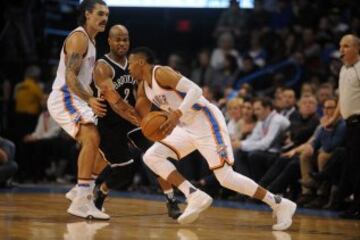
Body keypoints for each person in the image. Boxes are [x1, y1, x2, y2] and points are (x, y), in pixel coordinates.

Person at [128, 47, 296, 230]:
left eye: (130, 64)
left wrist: (177, 113)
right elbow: (141, 116)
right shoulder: (143, 87)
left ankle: (279, 203)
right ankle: (193, 194)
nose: (128, 68)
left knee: (226, 178)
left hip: (206, 120)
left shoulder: (161, 73)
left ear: (140, 62)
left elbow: (196, 89)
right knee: (152, 156)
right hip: (185, 127)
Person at [90, 24, 181, 219]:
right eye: (118, 39)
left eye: (125, 39)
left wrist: (152, 117)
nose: (122, 43)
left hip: (133, 121)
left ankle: (171, 200)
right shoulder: (102, 67)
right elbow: (116, 103)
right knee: (124, 171)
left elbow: (143, 95)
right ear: (109, 41)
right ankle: (102, 191)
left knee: (155, 155)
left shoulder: (134, 66)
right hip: (108, 123)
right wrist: (139, 121)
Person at [47, 0, 110, 220]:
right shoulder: (79, 38)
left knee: (110, 146)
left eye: (107, 15)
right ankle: (82, 200)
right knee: (91, 136)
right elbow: (70, 77)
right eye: (100, 13)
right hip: (65, 96)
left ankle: (80, 189)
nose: (105, 18)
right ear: (86, 14)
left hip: (78, 99)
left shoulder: (91, 40)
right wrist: (90, 98)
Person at [325, 34, 360, 219]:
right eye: (340, 46)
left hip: (358, 123)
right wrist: (333, 119)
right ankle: (351, 204)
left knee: (355, 166)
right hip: (349, 124)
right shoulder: (344, 69)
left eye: (346, 46)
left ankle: (354, 206)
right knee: (352, 166)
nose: (341, 50)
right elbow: (342, 99)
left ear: (357, 48)